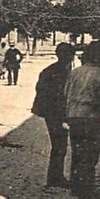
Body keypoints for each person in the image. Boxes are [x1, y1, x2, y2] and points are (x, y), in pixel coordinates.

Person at [64, 40, 100, 199]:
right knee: (91, 155)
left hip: (74, 117)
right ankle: (87, 189)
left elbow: (66, 93)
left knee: (77, 152)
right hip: (93, 119)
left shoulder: (75, 72)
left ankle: (75, 186)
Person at [32, 43, 77, 189]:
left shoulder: (50, 70)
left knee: (59, 145)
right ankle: (55, 178)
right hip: (56, 113)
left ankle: (55, 176)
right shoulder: (61, 72)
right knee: (59, 145)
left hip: (50, 112)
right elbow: (59, 94)